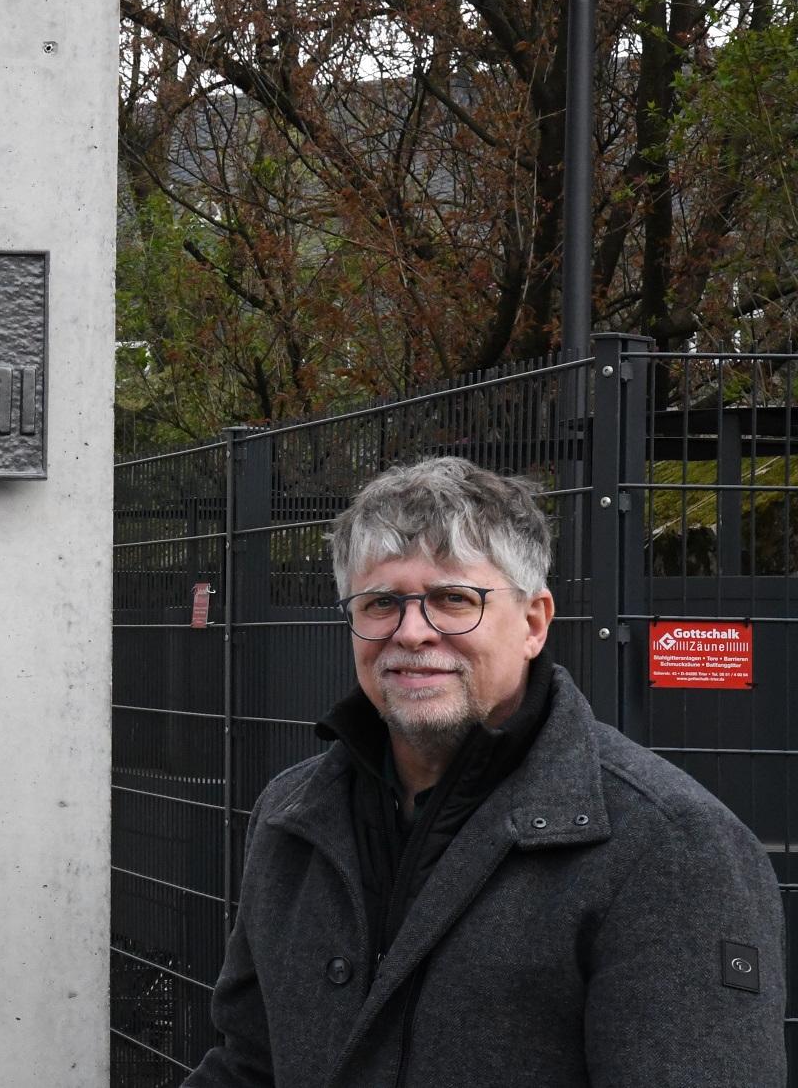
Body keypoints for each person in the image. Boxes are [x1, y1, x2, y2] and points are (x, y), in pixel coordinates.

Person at [185, 456, 786, 1087]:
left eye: (453, 599)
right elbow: (248, 1066)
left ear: (533, 623)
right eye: (381, 602)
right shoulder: (292, 815)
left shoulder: (668, 847)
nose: (412, 632)